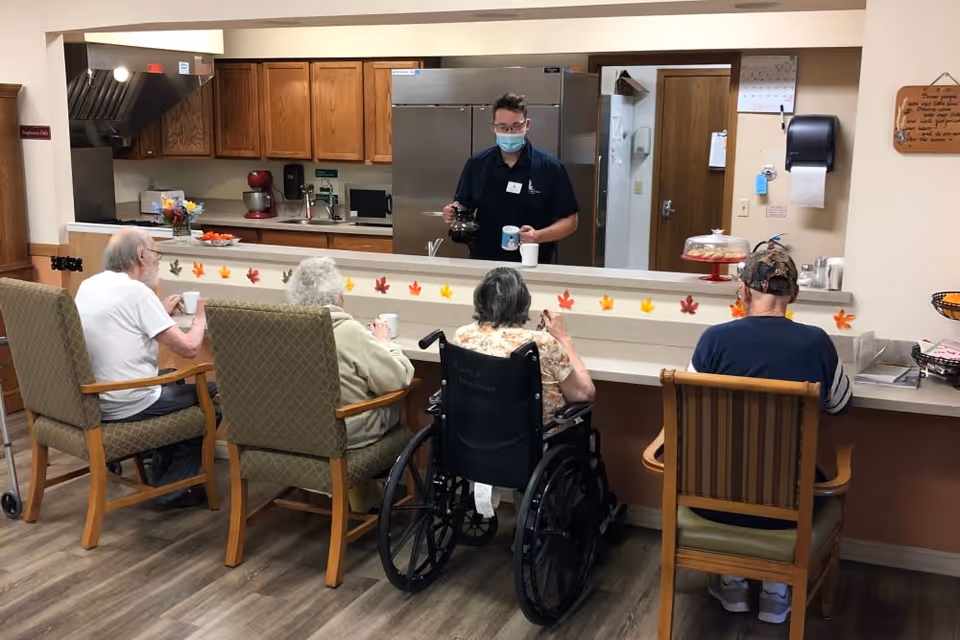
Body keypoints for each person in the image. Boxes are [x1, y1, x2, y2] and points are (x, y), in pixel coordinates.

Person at [688, 240, 852, 625]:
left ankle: (731, 582)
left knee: (730, 463)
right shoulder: (817, 342)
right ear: (793, 295)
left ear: (744, 292)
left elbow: (692, 410)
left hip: (713, 500)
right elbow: (840, 404)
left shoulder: (714, 339)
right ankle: (776, 591)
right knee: (794, 472)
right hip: (791, 508)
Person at [75, 228, 219, 509]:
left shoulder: (89, 285)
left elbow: (122, 327)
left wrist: (158, 312)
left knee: (177, 384)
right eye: (155, 253)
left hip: (93, 398)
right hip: (127, 401)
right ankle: (171, 490)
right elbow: (190, 348)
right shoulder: (137, 293)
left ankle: (160, 474)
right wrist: (201, 316)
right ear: (141, 256)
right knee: (211, 399)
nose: (157, 260)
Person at [285, 257, 415, 450]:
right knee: (399, 404)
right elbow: (398, 379)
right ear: (338, 297)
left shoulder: (285, 330)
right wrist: (386, 344)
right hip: (347, 433)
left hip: (296, 433)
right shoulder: (348, 331)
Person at [442, 93, 580, 265]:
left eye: (516, 126)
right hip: (484, 262)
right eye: (503, 127)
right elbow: (462, 207)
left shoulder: (549, 167)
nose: (509, 132)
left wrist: (537, 236)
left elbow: (570, 221)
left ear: (527, 125)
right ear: (493, 127)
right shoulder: (477, 164)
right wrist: (452, 212)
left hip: (532, 262)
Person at [451, 267, 595, 424]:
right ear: (524, 302)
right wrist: (564, 338)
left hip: (476, 433)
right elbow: (585, 394)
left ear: (480, 298)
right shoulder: (543, 344)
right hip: (541, 437)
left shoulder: (463, 336)